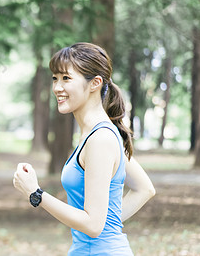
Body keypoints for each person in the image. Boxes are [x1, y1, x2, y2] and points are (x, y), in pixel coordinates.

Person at [13, 42, 156, 255]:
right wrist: (109, 225)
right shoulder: (98, 133)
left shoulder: (100, 139)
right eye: (55, 78)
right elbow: (145, 189)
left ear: (95, 83)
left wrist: (36, 193)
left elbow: (93, 225)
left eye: (66, 78)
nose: (57, 87)